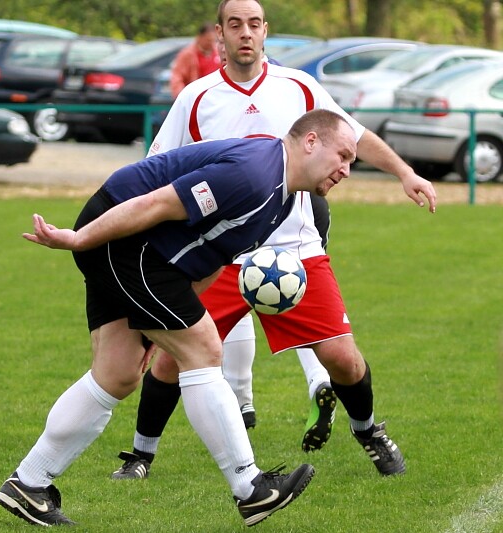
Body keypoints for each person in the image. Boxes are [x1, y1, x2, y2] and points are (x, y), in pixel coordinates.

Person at [111, 0, 437, 481]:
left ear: (266, 31)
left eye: (254, 24)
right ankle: (140, 456)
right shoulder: (197, 98)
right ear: (220, 34)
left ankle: (368, 431)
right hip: (221, 254)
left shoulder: (298, 86)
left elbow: (353, 134)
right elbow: (157, 168)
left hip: (294, 251)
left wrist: (405, 172)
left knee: (343, 360)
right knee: (173, 360)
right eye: (235, 25)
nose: (245, 33)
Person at [0, 109, 362, 528]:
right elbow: (156, 204)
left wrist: (165, 323)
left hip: (142, 249)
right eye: (343, 156)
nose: (347, 170)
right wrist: (80, 239)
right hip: (123, 234)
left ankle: (29, 483)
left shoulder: (283, 197)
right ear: (310, 142)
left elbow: (213, 257)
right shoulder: (253, 176)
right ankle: (250, 488)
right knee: (203, 348)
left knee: (118, 373)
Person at [169, 23, 222, 98]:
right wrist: (183, 97)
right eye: (208, 40)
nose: (210, 43)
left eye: (213, 40)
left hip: (215, 96)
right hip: (196, 96)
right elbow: (177, 77)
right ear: (200, 37)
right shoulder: (188, 54)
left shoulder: (219, 53)